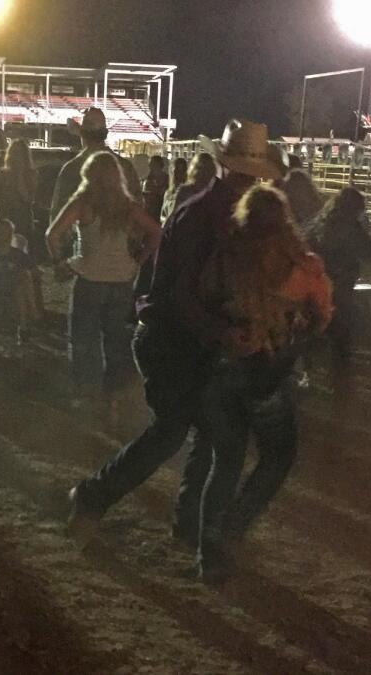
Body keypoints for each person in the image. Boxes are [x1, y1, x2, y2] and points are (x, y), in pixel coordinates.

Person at [65, 120, 284, 550]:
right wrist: (224, 330)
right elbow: (183, 295)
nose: (247, 181)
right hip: (176, 339)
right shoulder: (206, 216)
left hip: (187, 339)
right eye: (244, 174)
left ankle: (181, 520)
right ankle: (98, 497)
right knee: (179, 432)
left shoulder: (210, 212)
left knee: (200, 432)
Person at [185, 185, 333, 583]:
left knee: (225, 461)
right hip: (267, 374)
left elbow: (203, 300)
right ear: (284, 221)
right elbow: (323, 315)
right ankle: (235, 523)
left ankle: (209, 552)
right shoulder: (303, 266)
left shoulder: (224, 257)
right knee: (279, 455)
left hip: (221, 371)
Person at [47, 152, 162, 413]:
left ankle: (88, 394)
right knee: (116, 340)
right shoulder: (127, 206)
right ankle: (115, 395)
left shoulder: (83, 203)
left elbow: (52, 234)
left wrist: (60, 262)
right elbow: (156, 232)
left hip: (89, 278)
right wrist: (139, 260)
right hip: (122, 279)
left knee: (84, 339)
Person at [304, 186, 371, 361]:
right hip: (341, 281)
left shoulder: (321, 221)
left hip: (318, 279)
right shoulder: (351, 227)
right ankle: (342, 358)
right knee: (343, 316)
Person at [49, 107, 142, 225]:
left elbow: (57, 215)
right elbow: (138, 208)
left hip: (83, 241)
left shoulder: (72, 169)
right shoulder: (125, 167)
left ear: (82, 134)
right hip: (120, 241)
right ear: (105, 134)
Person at [0, 219, 43, 343]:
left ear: (10, 235)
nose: (1, 236)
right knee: (22, 281)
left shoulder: (18, 254)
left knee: (22, 283)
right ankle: (30, 316)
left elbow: (35, 271)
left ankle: (24, 324)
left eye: (5, 232)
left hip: (16, 286)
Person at [0, 138, 38, 243]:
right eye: (15, 153)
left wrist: (19, 177)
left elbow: (29, 198)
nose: (17, 157)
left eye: (20, 154)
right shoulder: (1, 173)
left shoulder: (30, 174)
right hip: (5, 216)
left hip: (23, 219)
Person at [159, 156, 188, 222]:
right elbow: (162, 216)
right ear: (171, 172)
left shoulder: (188, 193)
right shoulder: (167, 193)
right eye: (177, 170)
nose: (179, 174)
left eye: (183, 170)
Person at [141, 155, 169, 221]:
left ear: (159, 165)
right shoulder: (147, 180)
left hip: (163, 211)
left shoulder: (167, 179)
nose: (150, 167)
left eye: (153, 165)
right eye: (150, 165)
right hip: (150, 212)